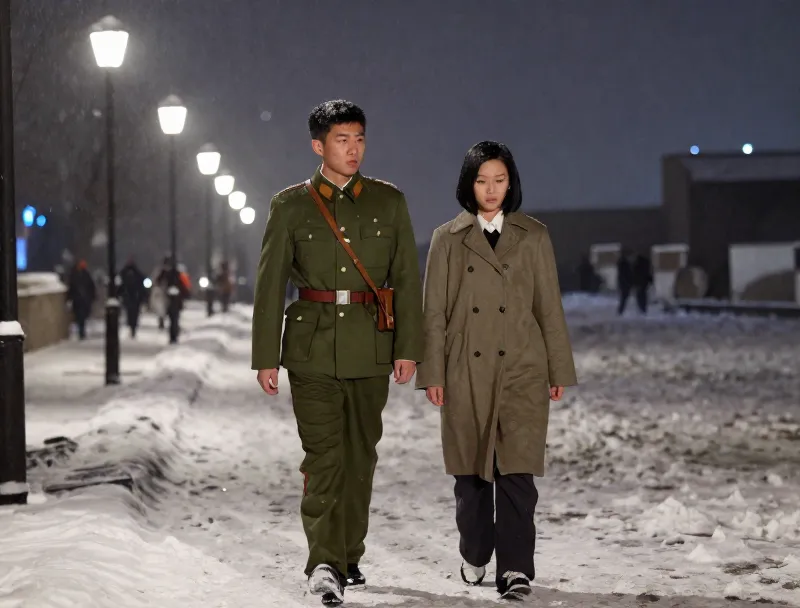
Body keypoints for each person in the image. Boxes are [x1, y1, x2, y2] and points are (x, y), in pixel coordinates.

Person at [251, 99, 423, 606]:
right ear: (318, 146)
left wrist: (408, 348)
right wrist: (266, 356)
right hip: (312, 349)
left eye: (359, 139)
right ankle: (324, 563)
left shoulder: (389, 202)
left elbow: (406, 279)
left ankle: (348, 554)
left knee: (360, 455)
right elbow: (270, 284)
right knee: (324, 456)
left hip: (371, 346)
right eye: (342, 140)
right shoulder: (291, 206)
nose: (353, 149)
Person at [415, 141, 578, 600]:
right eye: (482, 180)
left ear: (511, 183)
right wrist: (434, 374)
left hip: (522, 367)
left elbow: (549, 307)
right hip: (465, 372)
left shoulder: (534, 236)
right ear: (468, 185)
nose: (491, 189)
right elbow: (434, 313)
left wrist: (558, 369)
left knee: (518, 474)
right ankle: (474, 552)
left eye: (499, 180)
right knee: (470, 478)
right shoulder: (447, 239)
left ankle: (516, 568)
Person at [66, 259, 96, 340]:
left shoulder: (86, 275)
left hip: (84, 300)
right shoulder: (74, 275)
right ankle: (81, 332)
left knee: (83, 315)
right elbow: (71, 287)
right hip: (78, 300)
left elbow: (91, 286)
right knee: (79, 316)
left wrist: (92, 296)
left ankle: (81, 331)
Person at [119, 256, 147, 338]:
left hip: (133, 296)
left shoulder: (127, 273)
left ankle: (132, 327)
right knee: (132, 312)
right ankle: (132, 326)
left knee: (132, 312)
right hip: (132, 296)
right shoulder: (127, 273)